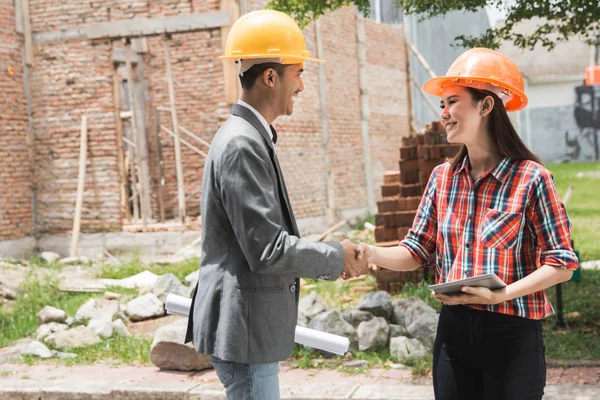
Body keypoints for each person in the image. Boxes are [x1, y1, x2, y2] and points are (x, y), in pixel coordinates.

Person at [356, 48, 579, 400]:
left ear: (486, 105)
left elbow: (562, 263)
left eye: (451, 102)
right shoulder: (442, 178)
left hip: (512, 333)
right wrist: (367, 252)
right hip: (454, 332)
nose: (442, 113)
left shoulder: (532, 179)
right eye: (442, 104)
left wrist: (502, 293)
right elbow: (415, 251)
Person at [184, 10, 369, 400]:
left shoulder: (250, 136)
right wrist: (337, 257)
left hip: (249, 330)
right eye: (298, 73)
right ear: (271, 77)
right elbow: (267, 250)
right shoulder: (241, 144)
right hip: (245, 332)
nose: (301, 85)